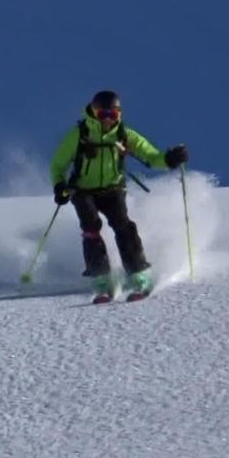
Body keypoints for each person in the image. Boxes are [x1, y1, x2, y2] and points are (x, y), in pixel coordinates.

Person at [51, 91, 188, 301]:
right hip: (82, 189)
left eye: (112, 115)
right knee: (91, 227)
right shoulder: (80, 134)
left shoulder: (125, 134)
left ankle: (138, 275)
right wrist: (59, 186)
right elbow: (58, 164)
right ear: (93, 113)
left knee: (122, 225)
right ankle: (101, 280)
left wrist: (169, 159)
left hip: (112, 188)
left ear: (119, 115)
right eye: (102, 114)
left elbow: (150, 155)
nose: (107, 119)